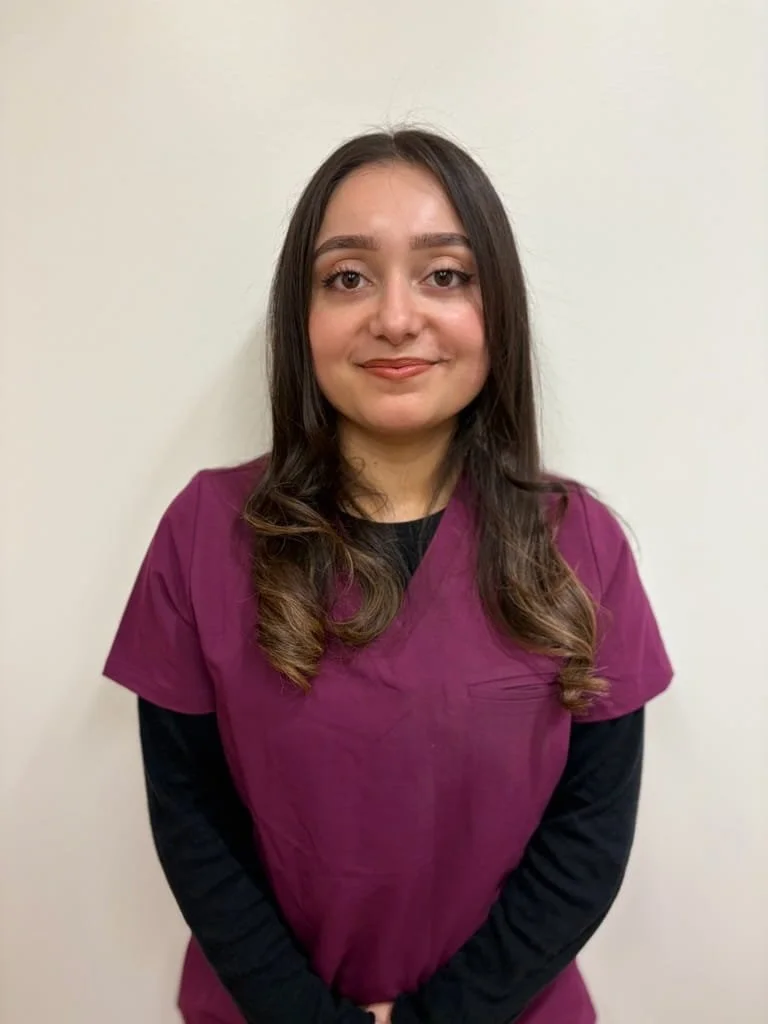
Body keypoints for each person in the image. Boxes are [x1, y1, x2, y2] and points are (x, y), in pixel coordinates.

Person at [104, 128, 673, 1024]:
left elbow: (589, 837)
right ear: (303, 317)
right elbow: (191, 818)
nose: (396, 317)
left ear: (498, 310)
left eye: (445, 275)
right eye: (348, 277)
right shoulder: (205, 531)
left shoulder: (581, 544)